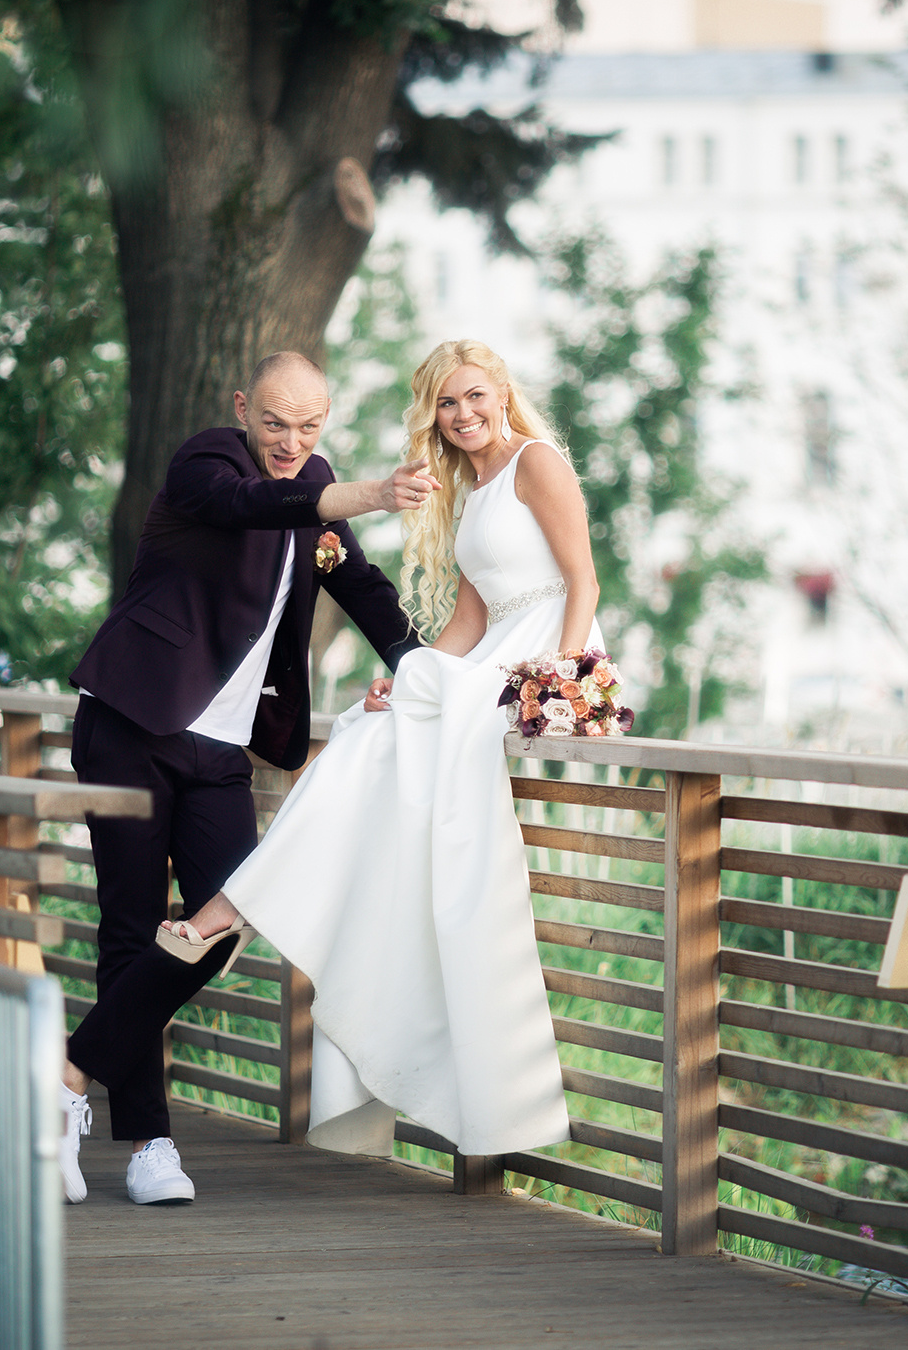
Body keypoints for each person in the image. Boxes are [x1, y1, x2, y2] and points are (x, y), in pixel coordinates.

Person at [164, 339, 600, 1158]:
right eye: (446, 403)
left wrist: (561, 681)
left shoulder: (537, 462)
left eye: (474, 396)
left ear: (502, 391)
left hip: (548, 656)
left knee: (382, 734)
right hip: (491, 660)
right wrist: (412, 678)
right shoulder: (473, 492)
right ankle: (239, 908)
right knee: (370, 725)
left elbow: (583, 578)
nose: (463, 414)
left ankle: (228, 910)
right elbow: (467, 625)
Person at [58, 351, 439, 1205]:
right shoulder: (207, 463)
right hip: (133, 722)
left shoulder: (318, 483)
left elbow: (360, 581)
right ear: (243, 408)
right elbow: (255, 506)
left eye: (309, 426)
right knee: (131, 927)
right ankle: (150, 1144)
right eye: (274, 422)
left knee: (231, 915)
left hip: (221, 752)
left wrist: (422, 670)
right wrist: (371, 492)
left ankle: (70, 1068)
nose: (291, 442)